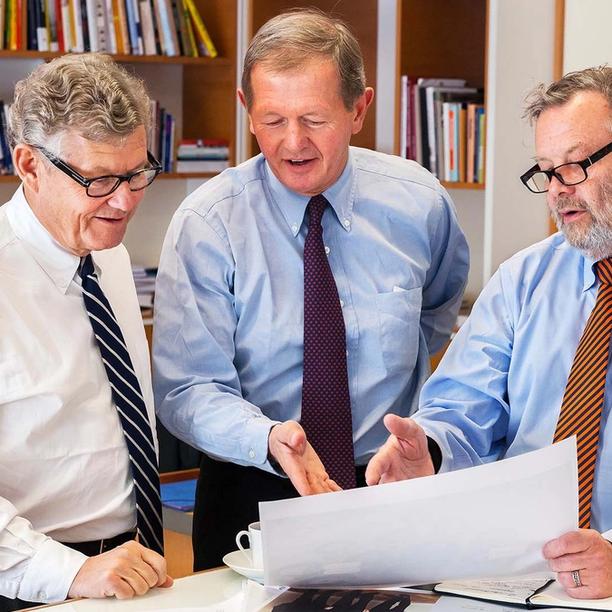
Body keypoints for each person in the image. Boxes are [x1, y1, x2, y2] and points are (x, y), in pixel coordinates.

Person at [153, 8, 468, 570]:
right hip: (253, 485)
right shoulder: (209, 223)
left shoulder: (419, 203)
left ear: (358, 109)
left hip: (390, 483)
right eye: (272, 120)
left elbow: (437, 309)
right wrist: (268, 437)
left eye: (314, 119)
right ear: (247, 110)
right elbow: (186, 390)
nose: (292, 142)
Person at [366, 66, 612, 600]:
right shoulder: (525, 279)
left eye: (573, 167)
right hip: (514, 579)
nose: (556, 192)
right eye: (545, 172)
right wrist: (427, 449)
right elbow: (462, 407)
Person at [0, 53, 172, 610]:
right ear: (29, 164)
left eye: (137, 173)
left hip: (132, 569)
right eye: (99, 179)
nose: (124, 202)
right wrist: (72, 573)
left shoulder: (108, 254)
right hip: (33, 583)